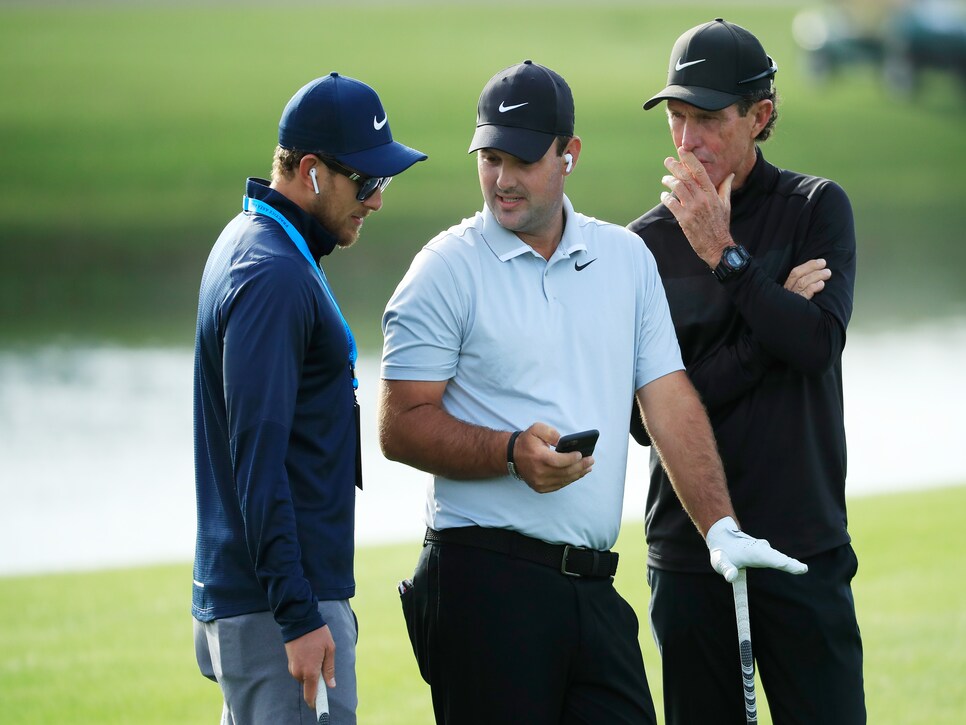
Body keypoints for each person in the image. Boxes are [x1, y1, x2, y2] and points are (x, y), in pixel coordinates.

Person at [379, 59, 806, 725]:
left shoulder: (625, 259)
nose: (502, 179)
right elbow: (399, 425)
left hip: (593, 588)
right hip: (481, 578)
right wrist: (511, 452)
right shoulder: (444, 270)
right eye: (489, 157)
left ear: (568, 154)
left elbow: (668, 398)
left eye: (522, 159)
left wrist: (719, 526)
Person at [629, 18, 866, 724]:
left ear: (759, 116)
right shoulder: (643, 245)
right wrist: (767, 330)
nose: (687, 141)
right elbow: (647, 419)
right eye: (677, 118)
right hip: (691, 552)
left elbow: (818, 343)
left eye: (706, 118)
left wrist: (725, 256)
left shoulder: (817, 209)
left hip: (804, 545)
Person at [191, 72, 426, 724]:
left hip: (263, 599)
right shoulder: (271, 275)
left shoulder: (263, 246)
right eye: (367, 182)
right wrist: (298, 615)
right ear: (313, 171)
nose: (377, 201)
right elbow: (256, 462)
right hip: (279, 613)